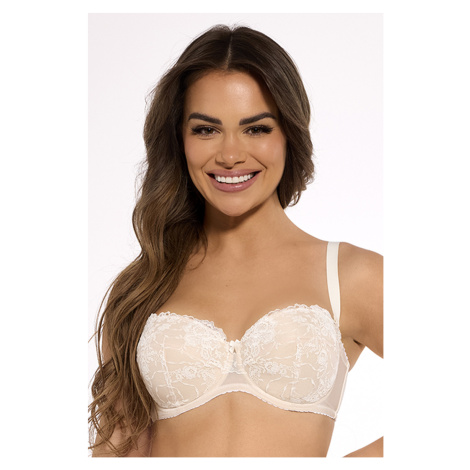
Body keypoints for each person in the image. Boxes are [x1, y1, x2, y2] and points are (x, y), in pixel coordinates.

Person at [88, 24, 383, 458]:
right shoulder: (142, 288)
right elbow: (116, 453)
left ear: (289, 134)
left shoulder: (352, 277)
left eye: (256, 129)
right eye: (206, 130)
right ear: (180, 140)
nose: (230, 155)